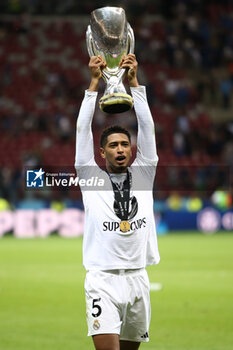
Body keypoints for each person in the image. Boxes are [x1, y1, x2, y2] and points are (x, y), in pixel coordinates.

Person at [75, 54, 160, 350]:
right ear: (103, 153)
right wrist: (94, 85)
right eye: (113, 145)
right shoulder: (91, 179)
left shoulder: (143, 174)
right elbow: (81, 133)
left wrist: (135, 85)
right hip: (103, 280)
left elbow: (148, 129)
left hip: (138, 279)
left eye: (125, 144)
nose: (121, 149)